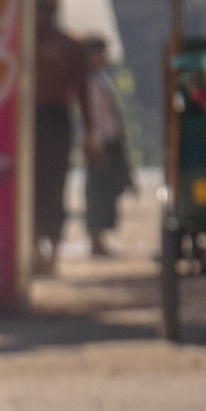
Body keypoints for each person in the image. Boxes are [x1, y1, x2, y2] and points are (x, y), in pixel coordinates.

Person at [31, 0, 84, 276]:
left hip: (55, 118)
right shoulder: (20, 44)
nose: (42, 15)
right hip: (32, 120)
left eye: (45, 8)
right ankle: (37, 247)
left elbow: (83, 93)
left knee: (53, 183)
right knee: (33, 184)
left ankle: (49, 250)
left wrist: (91, 133)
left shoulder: (71, 45)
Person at [79, 37, 133, 257]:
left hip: (110, 143)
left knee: (107, 192)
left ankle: (100, 240)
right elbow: (92, 119)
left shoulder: (101, 79)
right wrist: (98, 149)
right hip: (99, 145)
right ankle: (95, 241)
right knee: (97, 193)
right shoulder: (89, 84)